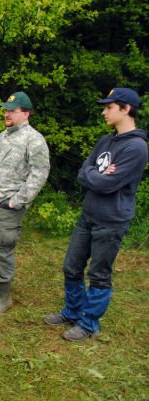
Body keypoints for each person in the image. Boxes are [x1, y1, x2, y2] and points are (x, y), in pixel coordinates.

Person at [44, 88, 147, 342]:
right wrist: (98, 175)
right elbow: (83, 173)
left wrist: (97, 177)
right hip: (88, 216)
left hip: (111, 222)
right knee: (71, 266)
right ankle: (73, 311)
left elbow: (106, 185)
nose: (104, 111)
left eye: (109, 107)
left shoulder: (137, 147)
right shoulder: (105, 141)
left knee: (99, 274)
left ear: (125, 109)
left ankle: (89, 324)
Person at [0, 91, 50, 314]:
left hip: (8, 203)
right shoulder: (4, 135)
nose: (6, 114)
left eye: (11, 110)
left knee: (2, 247)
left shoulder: (34, 139)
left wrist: (18, 200)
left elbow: (40, 172)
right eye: (6, 110)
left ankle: (4, 297)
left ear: (26, 113)